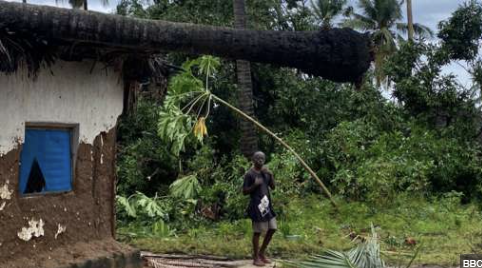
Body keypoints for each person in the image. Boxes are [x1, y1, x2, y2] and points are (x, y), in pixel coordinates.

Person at [243, 151, 276, 267]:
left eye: (262, 158)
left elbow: (273, 187)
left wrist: (270, 175)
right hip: (257, 206)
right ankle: (256, 257)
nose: (260, 160)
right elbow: (244, 191)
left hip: (267, 205)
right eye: (258, 158)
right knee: (257, 231)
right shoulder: (249, 174)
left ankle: (262, 253)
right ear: (253, 159)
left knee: (273, 228)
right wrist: (254, 185)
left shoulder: (266, 173)